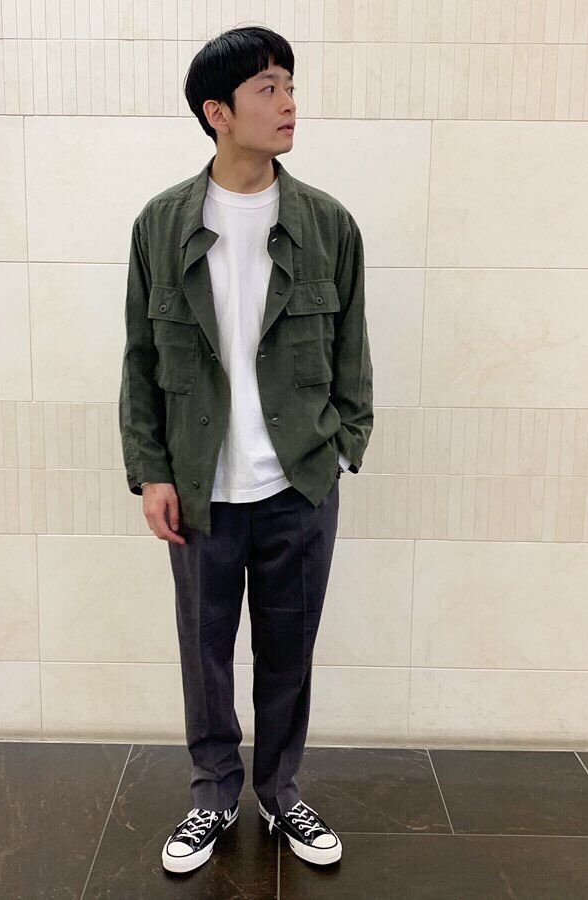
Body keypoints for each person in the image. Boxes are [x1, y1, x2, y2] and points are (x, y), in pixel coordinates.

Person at [118, 25, 373, 875]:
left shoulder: (327, 224)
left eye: (290, 84)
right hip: (200, 491)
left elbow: (353, 353)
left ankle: (281, 792)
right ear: (217, 112)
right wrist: (151, 471)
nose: (290, 101)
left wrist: (343, 446)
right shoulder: (162, 225)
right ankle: (213, 795)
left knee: (288, 655)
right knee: (206, 654)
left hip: (298, 484)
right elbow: (139, 360)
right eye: (268, 88)